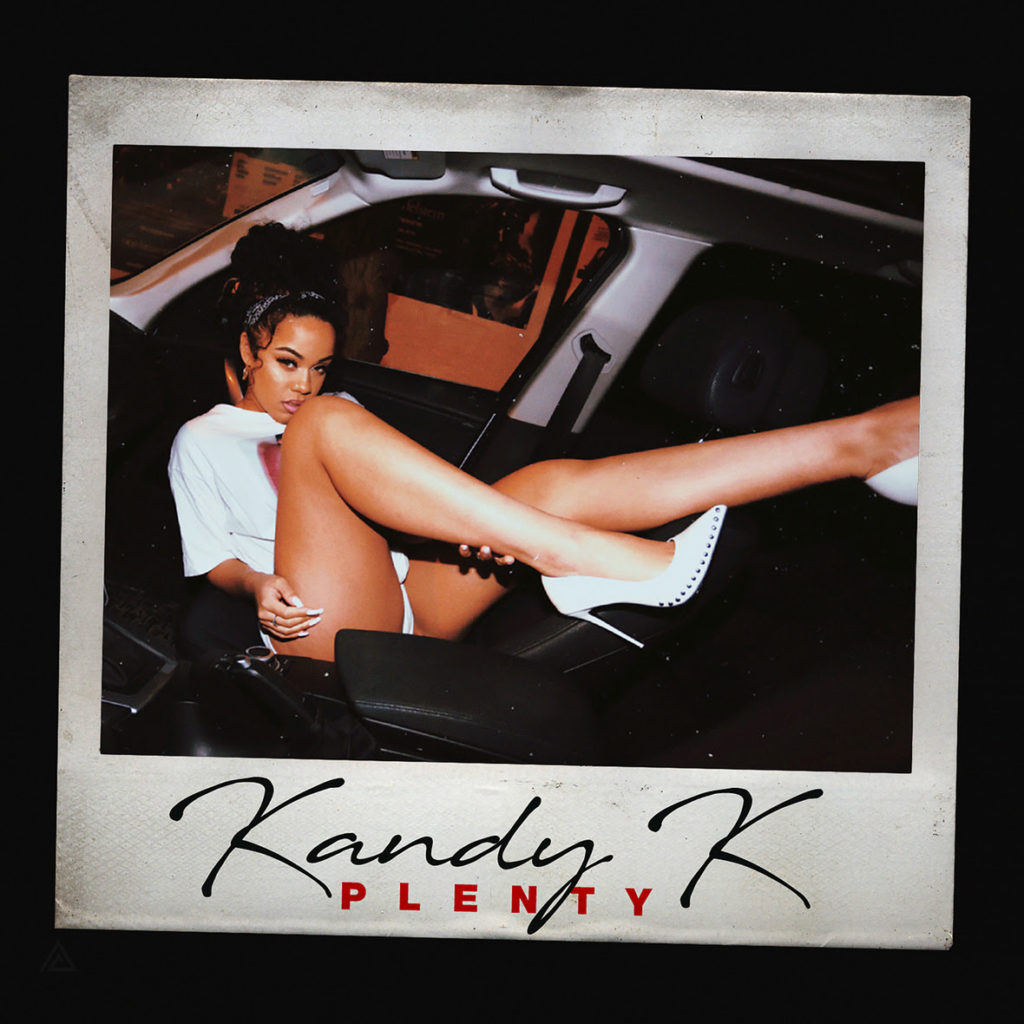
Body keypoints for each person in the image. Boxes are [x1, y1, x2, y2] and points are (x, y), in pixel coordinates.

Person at [169, 223, 920, 663]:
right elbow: (212, 561)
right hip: (320, 626)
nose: (304, 383)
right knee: (326, 424)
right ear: (245, 349)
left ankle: (861, 443)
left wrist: (474, 525)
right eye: (287, 362)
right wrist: (257, 588)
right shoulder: (202, 439)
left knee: (549, 482)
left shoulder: (335, 409)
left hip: (410, 595)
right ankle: (568, 556)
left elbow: (382, 514)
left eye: (320, 367)